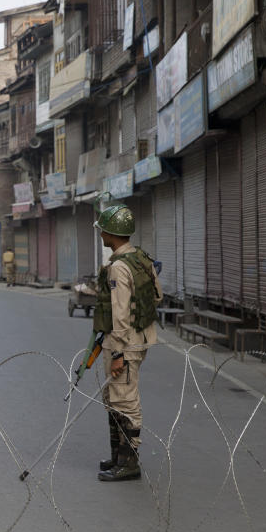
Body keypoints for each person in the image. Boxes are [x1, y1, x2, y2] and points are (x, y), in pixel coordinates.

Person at [92, 204, 162, 482]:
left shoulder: (119, 267)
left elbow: (120, 313)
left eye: (103, 230)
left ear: (112, 233)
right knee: (114, 397)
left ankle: (129, 462)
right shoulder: (140, 258)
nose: (101, 234)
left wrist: (119, 351)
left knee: (125, 399)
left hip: (124, 342)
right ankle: (118, 456)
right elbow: (157, 296)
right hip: (139, 337)